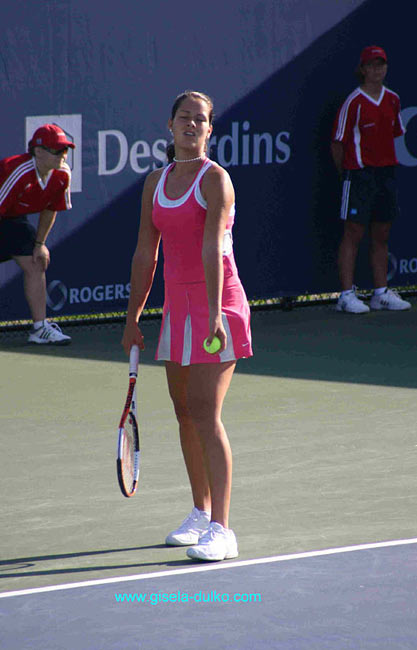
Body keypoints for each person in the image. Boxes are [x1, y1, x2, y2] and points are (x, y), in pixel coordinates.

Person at [122, 90, 252, 561]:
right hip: (178, 309)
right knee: (183, 413)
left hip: (220, 305)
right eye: (184, 118)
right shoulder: (154, 182)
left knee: (205, 412)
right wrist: (134, 316)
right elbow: (145, 253)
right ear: (170, 125)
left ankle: (223, 528)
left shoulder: (216, 180)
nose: (191, 125)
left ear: (210, 130)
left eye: (200, 120)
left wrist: (215, 311)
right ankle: (200, 512)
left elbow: (213, 246)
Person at [331, 45, 411, 313]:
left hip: (386, 174)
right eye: (372, 65)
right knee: (353, 232)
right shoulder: (353, 102)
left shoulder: (393, 100)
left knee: (382, 233)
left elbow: (395, 134)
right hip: (359, 176)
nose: (377, 70)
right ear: (363, 70)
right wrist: (348, 174)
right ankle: (345, 295)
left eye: (381, 64)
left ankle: (380, 293)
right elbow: (338, 143)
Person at [0, 124, 74, 343]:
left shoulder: (62, 174)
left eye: (65, 150)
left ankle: (40, 328)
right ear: (39, 152)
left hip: (13, 219)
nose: (63, 155)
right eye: (57, 150)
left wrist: (40, 243)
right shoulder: (16, 171)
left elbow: (51, 208)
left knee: (36, 262)